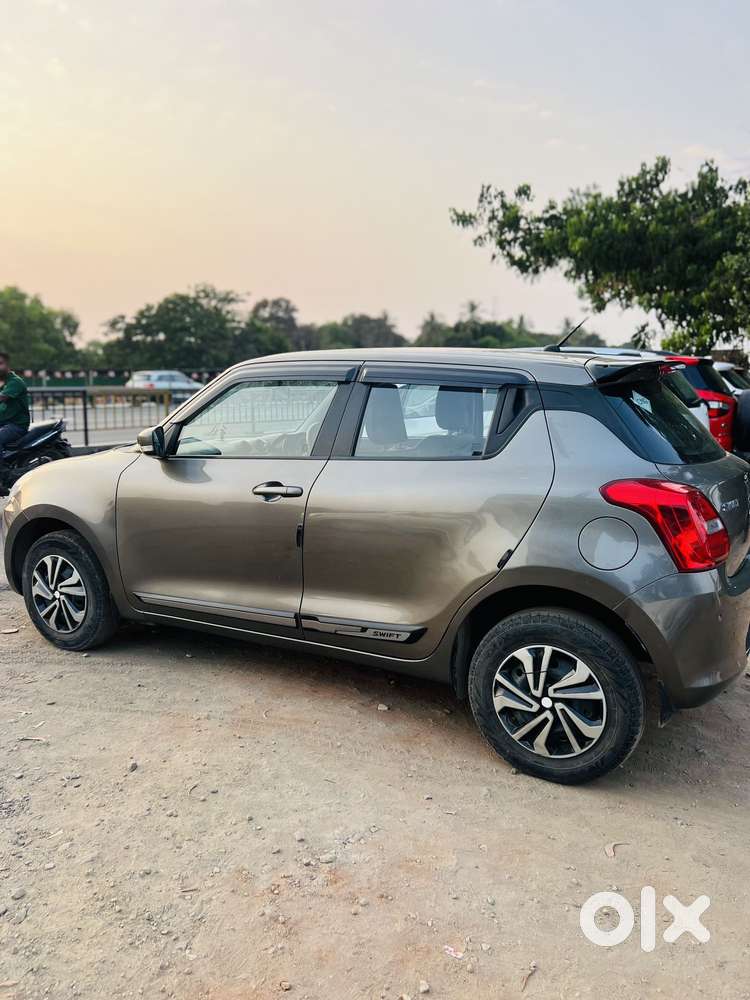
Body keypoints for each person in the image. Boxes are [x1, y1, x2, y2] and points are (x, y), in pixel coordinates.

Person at [0, 351, 30, 493]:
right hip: (6, 422)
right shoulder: (4, 382)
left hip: (17, 425)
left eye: (0, 364)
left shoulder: (15, 382)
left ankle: (4, 476)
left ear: (7, 364)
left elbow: (2, 398)